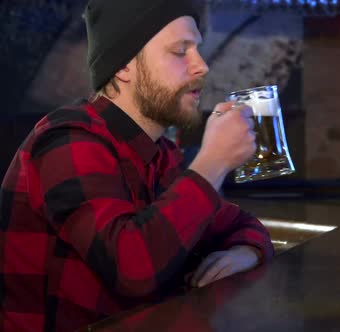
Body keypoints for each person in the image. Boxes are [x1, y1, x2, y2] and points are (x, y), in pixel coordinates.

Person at [0, 0, 274, 331]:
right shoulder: (67, 140)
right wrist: (212, 161)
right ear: (124, 66)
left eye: (198, 50)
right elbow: (132, 268)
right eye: (180, 51)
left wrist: (246, 252)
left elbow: (239, 224)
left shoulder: (159, 154)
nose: (202, 65)